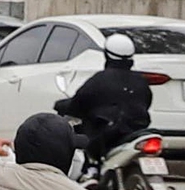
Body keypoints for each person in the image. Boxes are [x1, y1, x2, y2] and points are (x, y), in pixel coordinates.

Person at [55, 32, 151, 164]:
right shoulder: (140, 81)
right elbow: (146, 101)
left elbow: (79, 103)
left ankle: (91, 170)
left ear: (106, 55)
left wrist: (62, 106)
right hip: (137, 131)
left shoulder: (99, 80)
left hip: (108, 136)